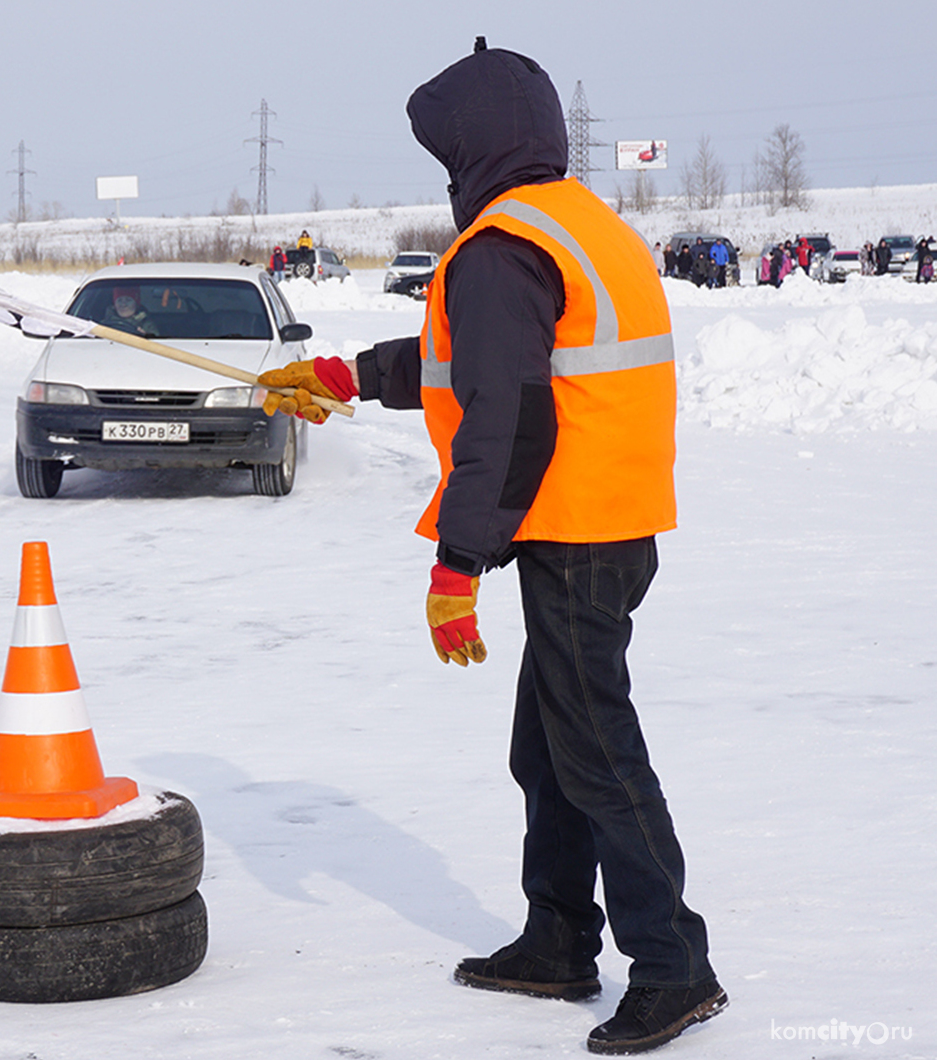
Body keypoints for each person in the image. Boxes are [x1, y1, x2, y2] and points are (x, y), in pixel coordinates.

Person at [258, 39, 723, 1055]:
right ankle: (558, 938)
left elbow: (504, 418)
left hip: (574, 525)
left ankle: (674, 965)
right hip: (611, 520)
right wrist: (339, 374)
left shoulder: (501, 247)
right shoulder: (576, 224)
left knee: (595, 752)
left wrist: (454, 568)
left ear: (471, 148)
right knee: (552, 746)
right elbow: (470, 359)